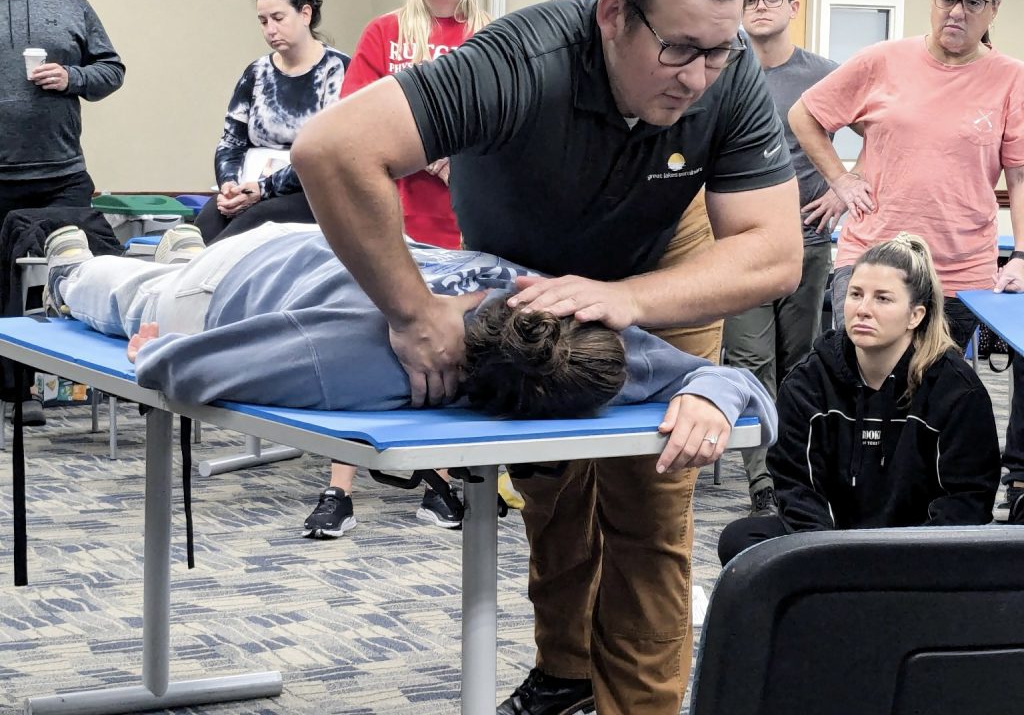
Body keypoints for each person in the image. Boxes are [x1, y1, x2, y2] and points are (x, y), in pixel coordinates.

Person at [292, 0, 802, 715]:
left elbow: (774, 252)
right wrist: (413, 312)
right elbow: (331, 148)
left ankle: (638, 707)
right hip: (528, 278)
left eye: (720, 49)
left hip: (662, 264)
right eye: (678, 49)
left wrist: (628, 299)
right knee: (554, 492)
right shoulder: (519, 60)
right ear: (611, 15)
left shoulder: (725, 72)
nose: (699, 76)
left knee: (649, 505)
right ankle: (565, 675)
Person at [41, 222, 777, 447]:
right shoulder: (366, 363)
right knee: (126, 297)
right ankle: (68, 269)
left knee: (168, 278)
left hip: (327, 243)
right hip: (237, 284)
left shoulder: (570, 325)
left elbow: (721, 379)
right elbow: (182, 371)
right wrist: (159, 348)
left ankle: (178, 253)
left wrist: (712, 397)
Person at [789, 0, 1024, 516]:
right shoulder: (882, 60)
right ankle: (848, 504)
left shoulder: (1010, 79)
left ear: (993, 9)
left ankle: (924, 512)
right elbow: (806, 115)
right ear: (932, 0)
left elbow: (1017, 174)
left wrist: (1021, 254)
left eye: (974, 2)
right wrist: (842, 180)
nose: (957, 13)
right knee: (861, 388)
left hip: (960, 268)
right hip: (871, 259)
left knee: (934, 393)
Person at [305, 0, 489, 535]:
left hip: (458, 224)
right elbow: (348, 127)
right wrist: (416, 151)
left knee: (442, 344)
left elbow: (509, 131)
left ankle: (437, 481)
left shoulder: (491, 37)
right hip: (389, 221)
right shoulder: (384, 34)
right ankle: (338, 489)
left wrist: (458, 158)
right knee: (361, 341)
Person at [718, 233, 1001, 566]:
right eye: (856, 294)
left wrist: (899, 563)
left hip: (920, 555)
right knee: (742, 541)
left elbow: (966, 501)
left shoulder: (956, 390)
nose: (863, 310)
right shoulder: (808, 382)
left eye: (883, 299)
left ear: (915, 315)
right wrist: (835, 560)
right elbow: (796, 488)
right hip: (832, 546)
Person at [723, 0, 847, 518]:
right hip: (739, 247)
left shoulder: (824, 74)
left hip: (808, 240)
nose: (760, 5)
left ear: (794, 7)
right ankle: (763, 479)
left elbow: (886, 128)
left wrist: (846, 187)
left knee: (799, 359)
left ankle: (798, 466)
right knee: (750, 358)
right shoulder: (722, 67)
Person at [0, 0, 125, 425]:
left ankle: (59, 385)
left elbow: (112, 70)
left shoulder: (71, 6)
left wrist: (70, 78)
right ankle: (13, 393)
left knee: (81, 274)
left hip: (61, 177)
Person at [194, 0, 349, 244]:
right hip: (251, 186)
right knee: (207, 220)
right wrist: (229, 186)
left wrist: (264, 189)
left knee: (248, 227)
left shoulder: (336, 71)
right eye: (263, 21)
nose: (270, 30)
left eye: (278, 18)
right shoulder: (256, 72)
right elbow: (230, 143)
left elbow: (326, 154)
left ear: (305, 14)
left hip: (310, 193)